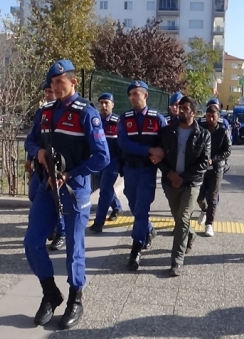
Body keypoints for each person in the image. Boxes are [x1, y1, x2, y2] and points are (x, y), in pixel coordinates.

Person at [24, 59, 109, 329]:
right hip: (46, 187)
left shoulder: (87, 113)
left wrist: (70, 173)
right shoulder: (45, 112)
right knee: (32, 242)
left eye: (60, 82)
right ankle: (51, 293)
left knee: (74, 248)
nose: (55, 87)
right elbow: (30, 139)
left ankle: (75, 298)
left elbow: (102, 157)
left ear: (73, 82)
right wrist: (36, 152)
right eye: (52, 83)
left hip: (74, 189)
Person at [156, 96, 211, 276]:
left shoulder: (204, 135)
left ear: (194, 112)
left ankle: (176, 261)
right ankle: (191, 234)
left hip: (191, 183)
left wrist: (183, 177)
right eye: (180, 107)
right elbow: (158, 157)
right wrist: (170, 174)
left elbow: (204, 162)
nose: (181, 110)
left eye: (185, 108)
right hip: (170, 182)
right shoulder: (167, 132)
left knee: (183, 216)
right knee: (179, 219)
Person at [117, 80, 167, 271]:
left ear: (145, 95)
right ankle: (149, 230)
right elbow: (124, 143)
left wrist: (159, 154)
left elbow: (165, 143)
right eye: (130, 94)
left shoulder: (157, 118)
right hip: (129, 170)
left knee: (141, 210)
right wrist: (149, 149)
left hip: (147, 171)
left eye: (136, 94)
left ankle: (135, 250)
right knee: (133, 205)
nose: (132, 98)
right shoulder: (124, 118)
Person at [25, 81, 66, 250]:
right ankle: (48, 226)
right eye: (46, 92)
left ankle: (61, 233)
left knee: (59, 200)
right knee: (34, 195)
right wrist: (31, 157)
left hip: (58, 169)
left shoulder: (64, 113)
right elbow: (33, 139)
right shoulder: (42, 113)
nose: (49, 94)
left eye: (51, 91)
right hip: (41, 166)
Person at [89, 92, 123, 233]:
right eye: (101, 103)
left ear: (112, 105)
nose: (103, 106)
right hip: (98, 161)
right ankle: (117, 207)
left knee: (104, 190)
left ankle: (99, 222)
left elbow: (122, 144)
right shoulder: (95, 120)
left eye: (106, 103)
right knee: (106, 188)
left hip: (112, 162)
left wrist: (122, 164)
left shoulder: (117, 122)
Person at [196, 105, 231, 237]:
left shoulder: (222, 131)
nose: (210, 118)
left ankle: (209, 224)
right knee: (199, 197)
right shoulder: (201, 129)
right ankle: (204, 210)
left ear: (218, 117)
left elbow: (227, 150)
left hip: (217, 168)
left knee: (212, 197)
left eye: (213, 116)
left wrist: (214, 159)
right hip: (201, 168)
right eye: (208, 116)